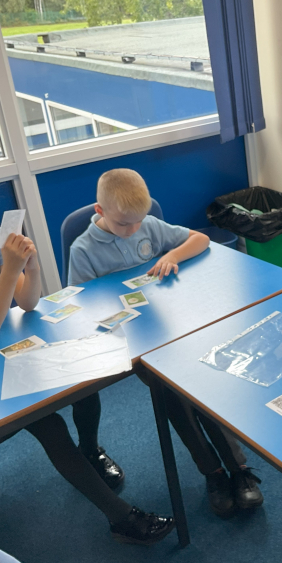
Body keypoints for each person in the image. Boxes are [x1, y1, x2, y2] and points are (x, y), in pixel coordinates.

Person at [0, 164, 174, 545]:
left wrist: (31, 267)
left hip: (1, 352)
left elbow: (28, 302)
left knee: (85, 380)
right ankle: (122, 517)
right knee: (49, 424)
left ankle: (90, 451)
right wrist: (11, 268)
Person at [68, 168, 264, 516]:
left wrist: (172, 255)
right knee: (174, 395)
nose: (133, 230)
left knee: (202, 384)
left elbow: (200, 240)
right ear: (100, 211)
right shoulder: (82, 249)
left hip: (170, 330)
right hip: (132, 343)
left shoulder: (148, 226)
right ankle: (213, 472)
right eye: (124, 224)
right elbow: (82, 305)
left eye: (138, 222)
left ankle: (239, 468)